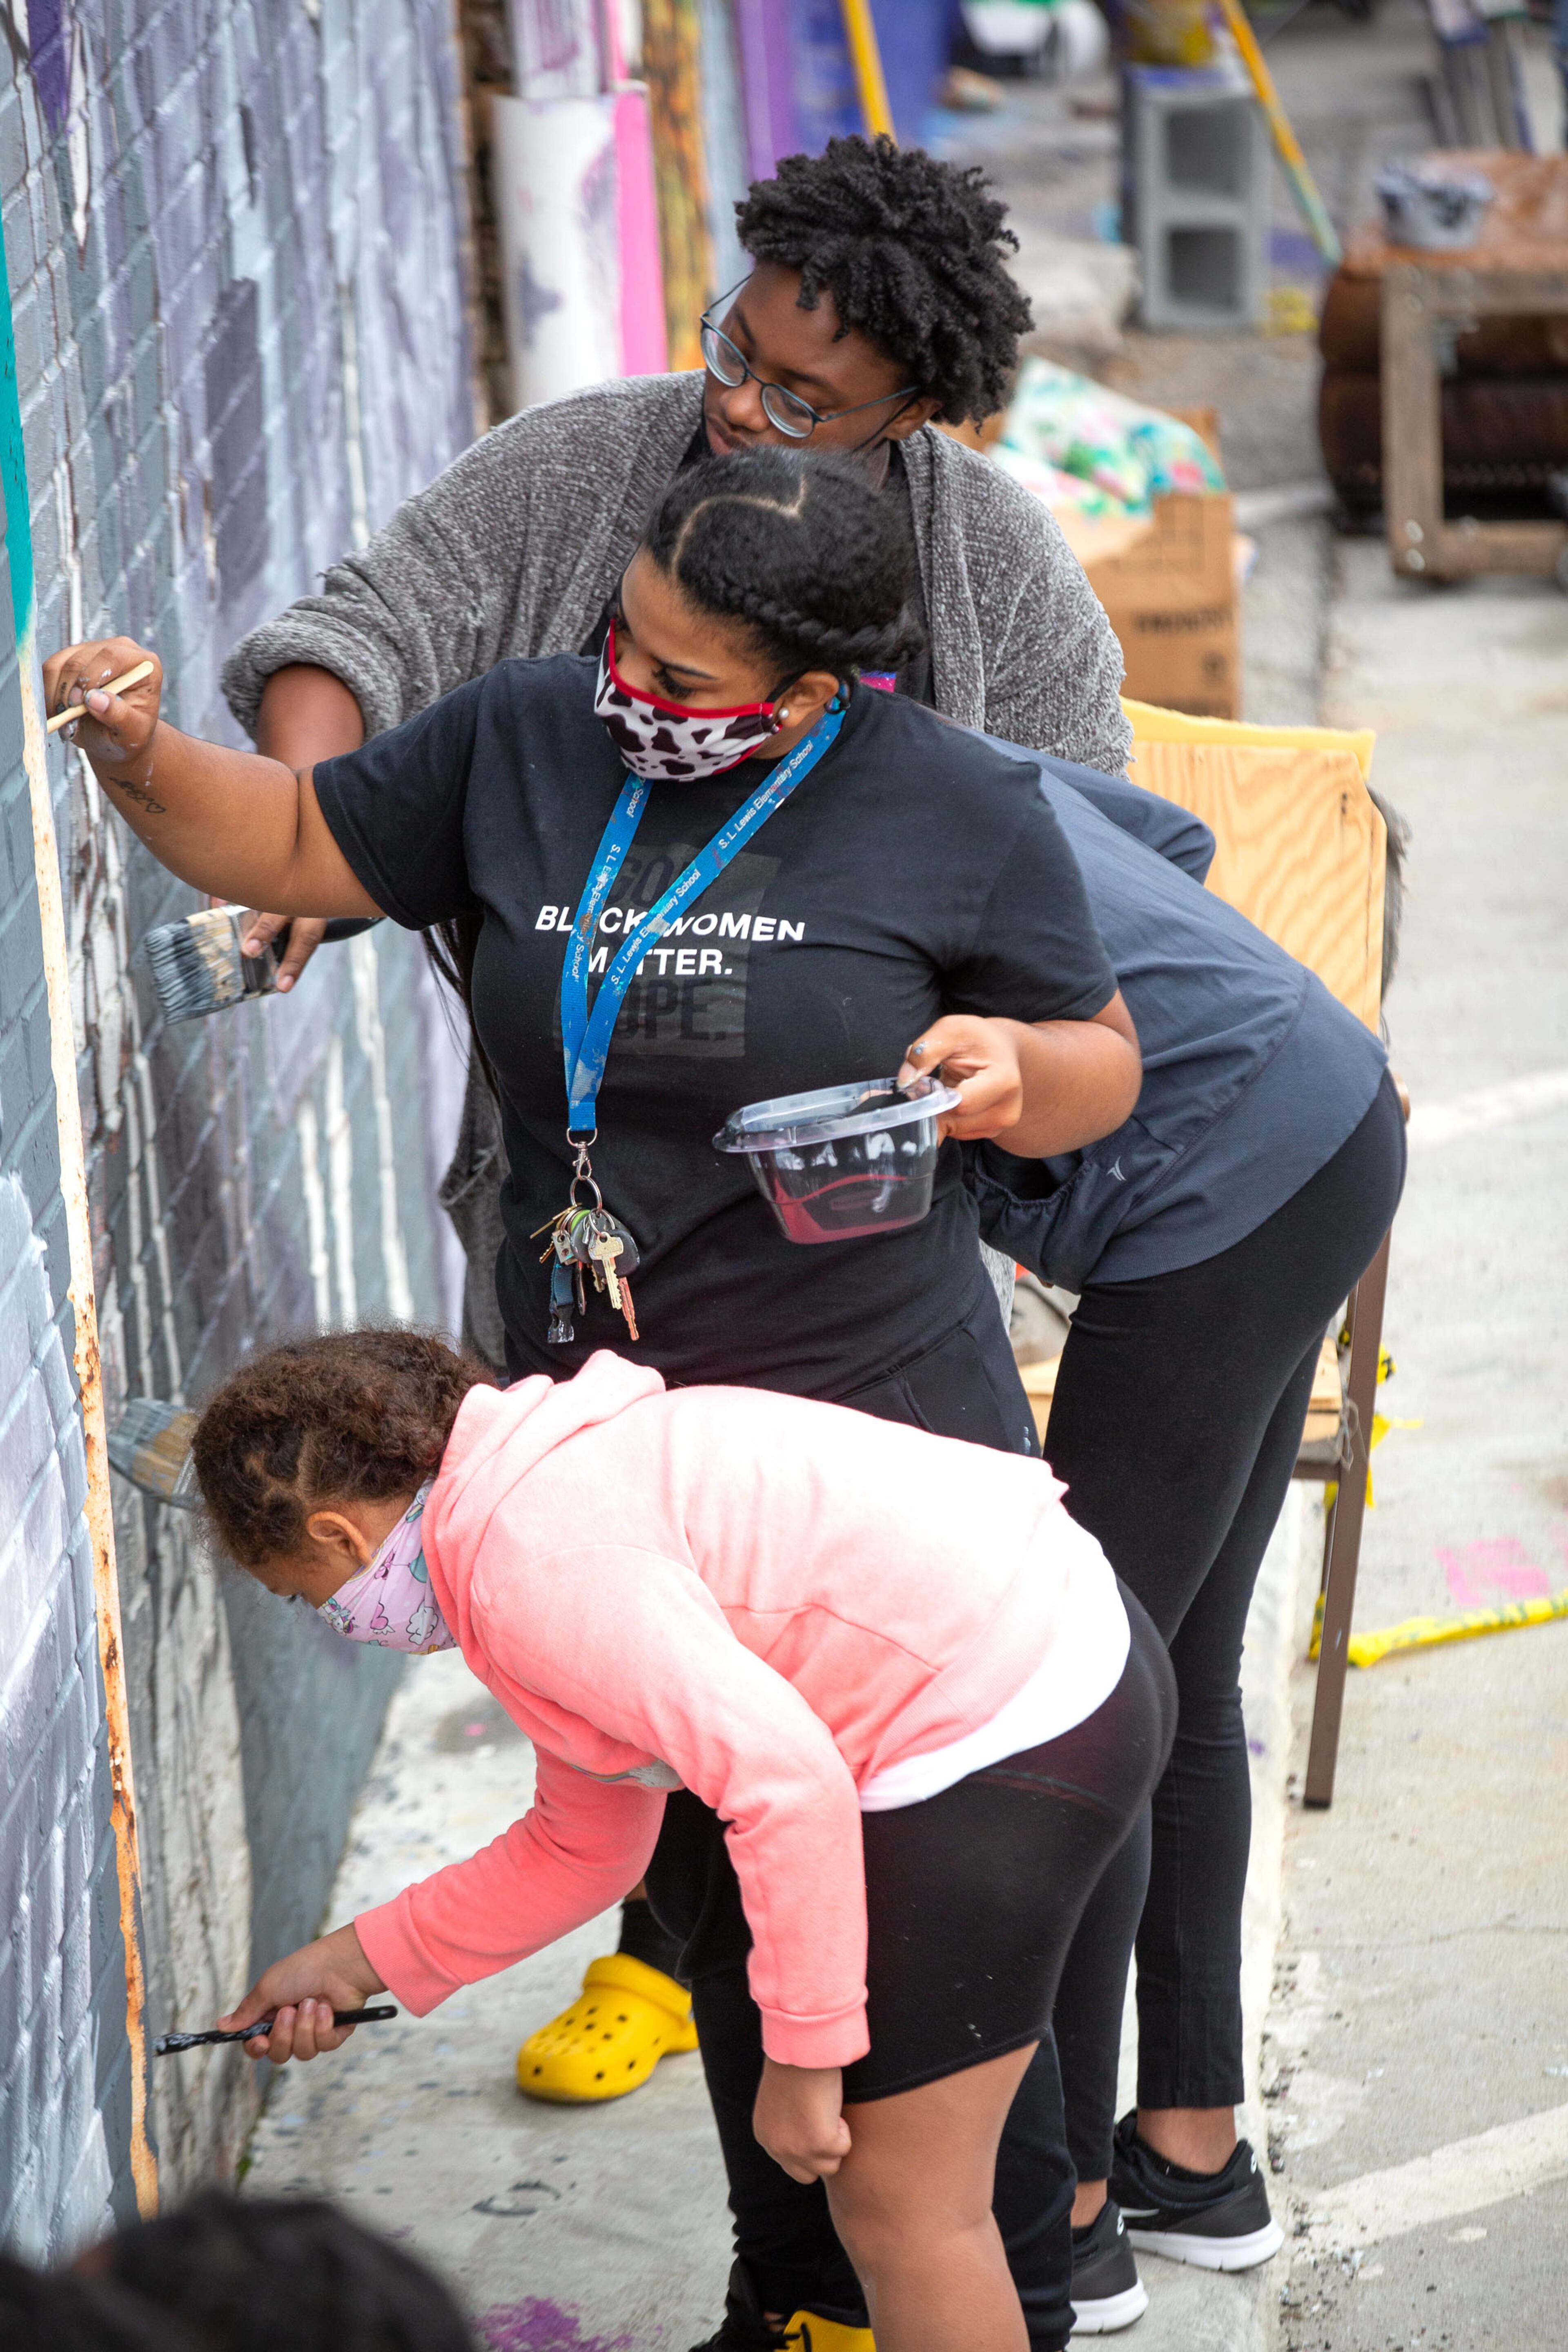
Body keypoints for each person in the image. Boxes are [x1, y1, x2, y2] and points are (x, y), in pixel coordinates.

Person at [47, 441, 1141, 2352]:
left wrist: (1011, 1072)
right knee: (730, 1904)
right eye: (624, 635)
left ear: (815, 687)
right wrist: (136, 753)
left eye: (687, 672)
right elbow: (288, 842)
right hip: (604, 1414)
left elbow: (1098, 1058)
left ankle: (996, 2282)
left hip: (866, 1430)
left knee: (925, 1940)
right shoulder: (529, 737)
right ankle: (795, 2305)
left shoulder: (952, 804)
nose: (632, 688)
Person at [191, 1327, 1176, 2352]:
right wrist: (352, 1963)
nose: (335, 1618)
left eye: (308, 1597)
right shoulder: (531, 1496)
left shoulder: (529, 1571)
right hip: (1065, 1647)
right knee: (910, 2201)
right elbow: (583, 1848)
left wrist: (803, 2058)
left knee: (904, 2210)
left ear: (341, 1536)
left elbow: (788, 1785)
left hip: (1008, 1720)